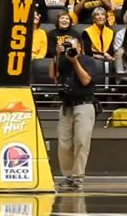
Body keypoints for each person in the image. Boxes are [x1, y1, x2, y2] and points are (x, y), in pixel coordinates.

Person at [49, 36, 97, 191]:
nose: (69, 49)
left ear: (80, 48)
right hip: (67, 105)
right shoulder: (62, 60)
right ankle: (68, 175)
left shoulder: (88, 60)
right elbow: (53, 76)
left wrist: (74, 61)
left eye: (72, 46)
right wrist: (56, 55)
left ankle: (77, 176)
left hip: (84, 104)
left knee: (82, 142)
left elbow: (86, 81)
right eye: (67, 45)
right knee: (64, 143)